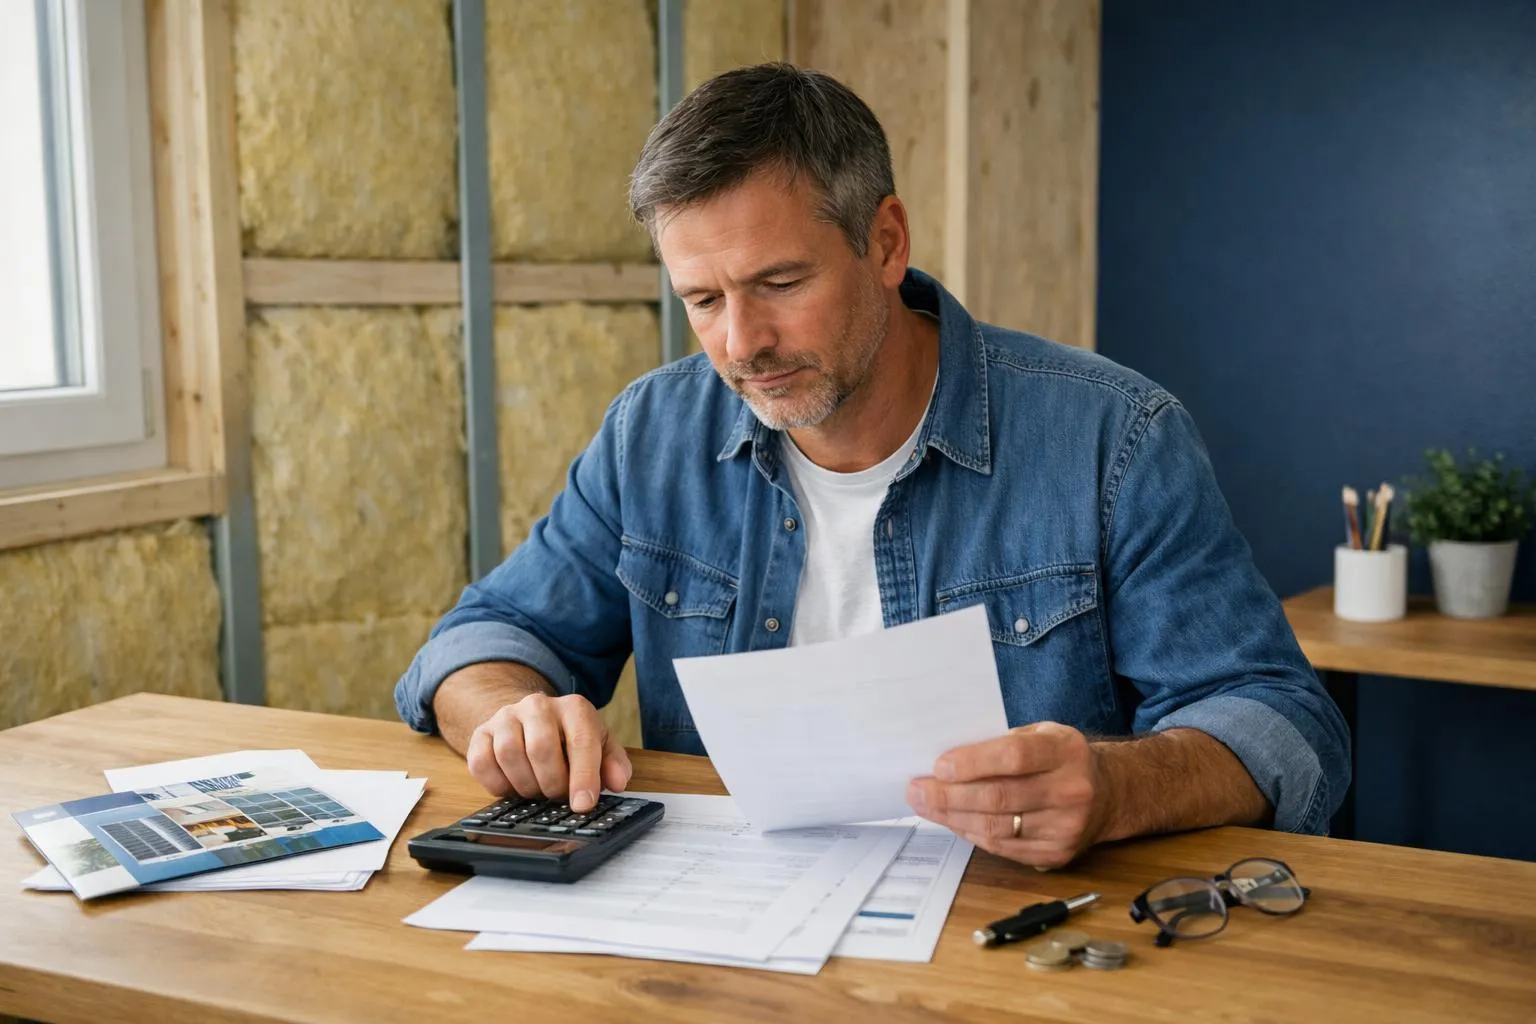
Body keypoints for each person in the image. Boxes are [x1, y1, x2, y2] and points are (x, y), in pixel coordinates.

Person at [395, 63, 1350, 869]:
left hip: (1018, 938)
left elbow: (1284, 724)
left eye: (780, 283)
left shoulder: (1115, 436)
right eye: (701, 299)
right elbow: (484, 636)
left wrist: (1117, 787)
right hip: (727, 931)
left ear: (886, 241)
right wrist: (511, 711)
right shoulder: (653, 432)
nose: (741, 344)